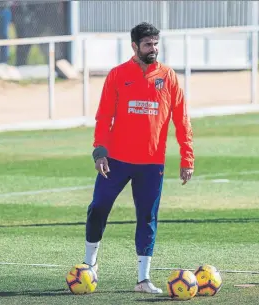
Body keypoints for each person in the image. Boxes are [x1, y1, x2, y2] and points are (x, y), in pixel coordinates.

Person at [83, 22, 195, 294]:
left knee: (147, 217)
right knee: (98, 208)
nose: (153, 49)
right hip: (116, 160)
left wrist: (187, 157)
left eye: (156, 44)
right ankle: (89, 265)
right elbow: (103, 116)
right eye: (148, 44)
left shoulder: (168, 77)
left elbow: (181, 119)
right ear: (135, 46)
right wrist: (100, 151)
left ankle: (143, 279)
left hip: (151, 163)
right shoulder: (118, 75)